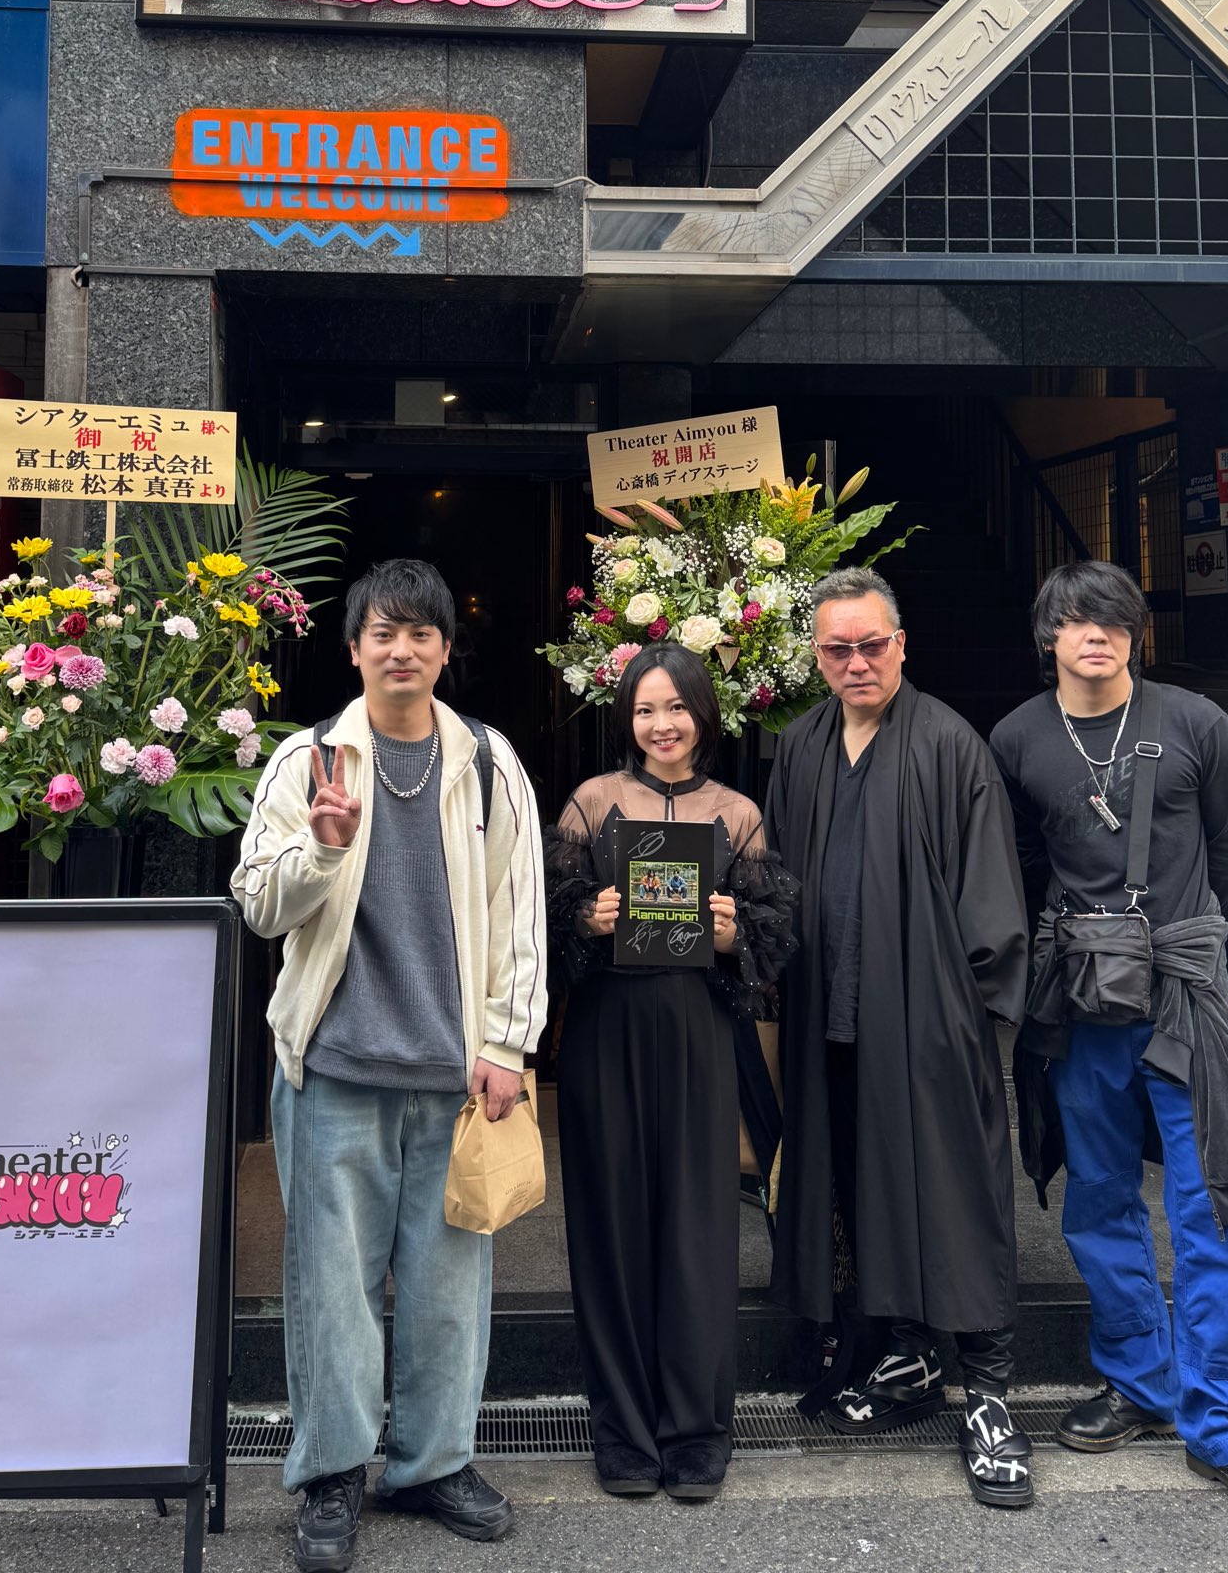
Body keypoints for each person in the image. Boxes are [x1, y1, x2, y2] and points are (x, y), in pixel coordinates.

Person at [232, 558, 547, 1572]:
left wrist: (507, 1043)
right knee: (331, 1288)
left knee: (452, 1289)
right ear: (354, 646)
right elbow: (257, 903)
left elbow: (519, 913)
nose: (401, 649)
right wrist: (322, 849)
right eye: (383, 632)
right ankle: (332, 1471)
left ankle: (431, 1462)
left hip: (453, 1078)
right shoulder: (307, 759)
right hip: (333, 1068)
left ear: (446, 650)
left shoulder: (488, 762)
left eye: (420, 633)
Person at [990, 561, 1228, 1532]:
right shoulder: (1017, 737)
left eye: (1115, 619)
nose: (1097, 634)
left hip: (1183, 992)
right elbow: (1016, 858)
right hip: (1079, 998)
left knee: (1214, 1204)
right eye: (1077, 620)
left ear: (1137, 632)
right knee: (1097, 1196)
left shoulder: (1196, 721)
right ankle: (1139, 1379)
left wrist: (1165, 934)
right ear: (1049, 635)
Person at [765, 568, 1033, 1508]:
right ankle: (907, 1358)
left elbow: (992, 901)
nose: (857, 662)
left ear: (902, 644)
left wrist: (969, 1021)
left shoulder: (951, 746)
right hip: (828, 1024)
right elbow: (778, 886)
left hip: (928, 1026)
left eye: (871, 644)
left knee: (956, 1198)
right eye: (837, 648)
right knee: (862, 1192)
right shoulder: (801, 746)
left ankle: (990, 1398)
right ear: (816, 657)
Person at [545, 642, 795, 1502]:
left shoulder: (738, 813)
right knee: (609, 1230)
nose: (662, 725)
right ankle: (622, 1431)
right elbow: (542, 928)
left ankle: (696, 1430)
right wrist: (587, 917)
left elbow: (773, 946)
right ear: (627, 718)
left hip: (699, 1036)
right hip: (605, 1035)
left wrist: (734, 936)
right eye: (646, 709)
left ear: (703, 716)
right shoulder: (591, 803)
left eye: (677, 707)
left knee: (698, 1230)